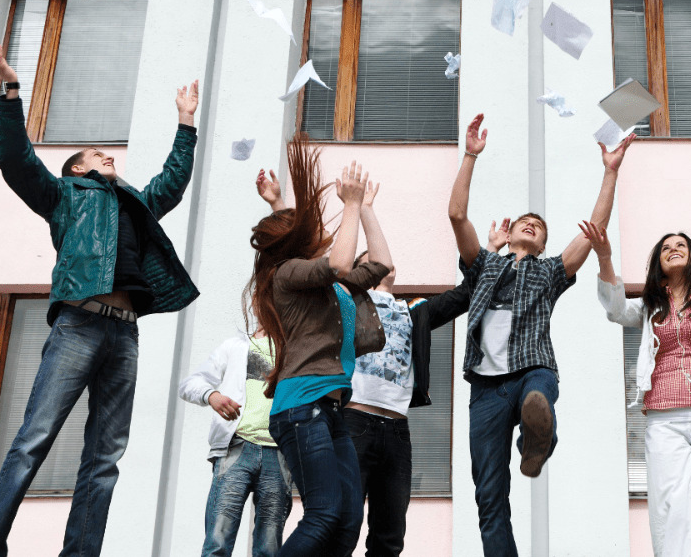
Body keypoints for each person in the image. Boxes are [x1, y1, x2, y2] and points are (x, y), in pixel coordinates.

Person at [0, 41, 200, 556]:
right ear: (77, 170)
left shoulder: (136, 204)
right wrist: (11, 89)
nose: (110, 157)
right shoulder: (63, 197)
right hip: (79, 325)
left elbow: (172, 183)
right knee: (35, 439)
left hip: (124, 333)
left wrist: (185, 123)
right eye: (99, 156)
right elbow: (14, 158)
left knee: (106, 457)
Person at [448, 113, 634, 555]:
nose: (531, 225)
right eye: (523, 222)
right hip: (486, 389)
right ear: (509, 233)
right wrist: (471, 156)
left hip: (534, 370)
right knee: (489, 497)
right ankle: (537, 442)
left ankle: (538, 438)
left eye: (539, 226)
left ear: (545, 244)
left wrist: (610, 171)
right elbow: (457, 214)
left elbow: (593, 233)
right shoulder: (483, 265)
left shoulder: (549, 272)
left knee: (537, 397)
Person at [248, 137, 391, 556]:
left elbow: (381, 263)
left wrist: (364, 207)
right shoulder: (288, 273)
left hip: (329, 407)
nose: (325, 233)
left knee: (348, 523)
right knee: (324, 514)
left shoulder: (327, 283)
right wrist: (347, 205)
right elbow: (339, 262)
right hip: (300, 407)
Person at [588, 199, 691, 557]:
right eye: (666, 247)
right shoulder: (648, 307)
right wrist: (604, 258)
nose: (673, 249)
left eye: (681, 245)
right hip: (664, 420)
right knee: (672, 513)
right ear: (658, 263)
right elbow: (615, 309)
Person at [345, 223, 507, 556]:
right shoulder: (350, 305)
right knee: (343, 525)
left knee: (390, 536)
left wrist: (489, 251)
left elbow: (467, 293)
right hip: (353, 423)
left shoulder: (414, 310)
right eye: (371, 259)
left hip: (396, 430)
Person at [175, 171, 297, 557]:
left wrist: (279, 206)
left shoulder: (298, 346)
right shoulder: (235, 347)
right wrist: (212, 396)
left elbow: (299, 260)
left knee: (268, 548)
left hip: (280, 453)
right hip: (236, 448)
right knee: (217, 544)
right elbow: (189, 383)